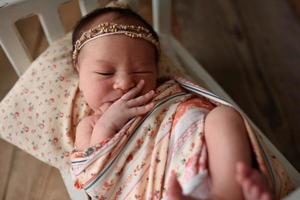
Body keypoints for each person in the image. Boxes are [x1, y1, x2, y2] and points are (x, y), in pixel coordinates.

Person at [70, 4, 273, 200]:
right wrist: (109, 123)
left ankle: (227, 193)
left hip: (204, 159)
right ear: (80, 74)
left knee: (224, 116)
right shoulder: (89, 124)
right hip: (155, 186)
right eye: (105, 72)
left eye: (141, 70)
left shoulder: (165, 91)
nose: (124, 83)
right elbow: (92, 177)